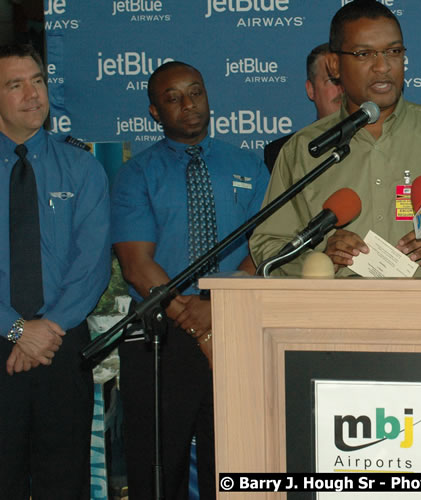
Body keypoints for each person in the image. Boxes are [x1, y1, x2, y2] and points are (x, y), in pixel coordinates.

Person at [250, 0, 421, 277]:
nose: (383, 67)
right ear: (334, 65)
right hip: (336, 314)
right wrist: (320, 259)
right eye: (364, 54)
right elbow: (268, 244)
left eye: (393, 51)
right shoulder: (305, 149)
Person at [111, 61, 269, 500]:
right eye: (172, 98)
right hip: (162, 335)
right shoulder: (136, 174)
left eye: (195, 92)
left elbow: (266, 246)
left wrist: (217, 309)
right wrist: (195, 320)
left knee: (240, 467)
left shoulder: (250, 166)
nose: (188, 105)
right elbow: (137, 264)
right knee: (159, 470)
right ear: (154, 112)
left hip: (235, 328)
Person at [0, 43, 111, 499]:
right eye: (15, 84)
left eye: (38, 81)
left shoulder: (82, 167)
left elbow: (92, 263)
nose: (32, 94)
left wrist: (44, 331)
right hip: (3, 341)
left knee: (64, 480)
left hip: (61, 346)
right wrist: (14, 328)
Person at [263, 42, 344, 172]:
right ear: (311, 89)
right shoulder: (283, 152)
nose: (342, 88)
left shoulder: (380, 144)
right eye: (333, 81)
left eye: (348, 80)